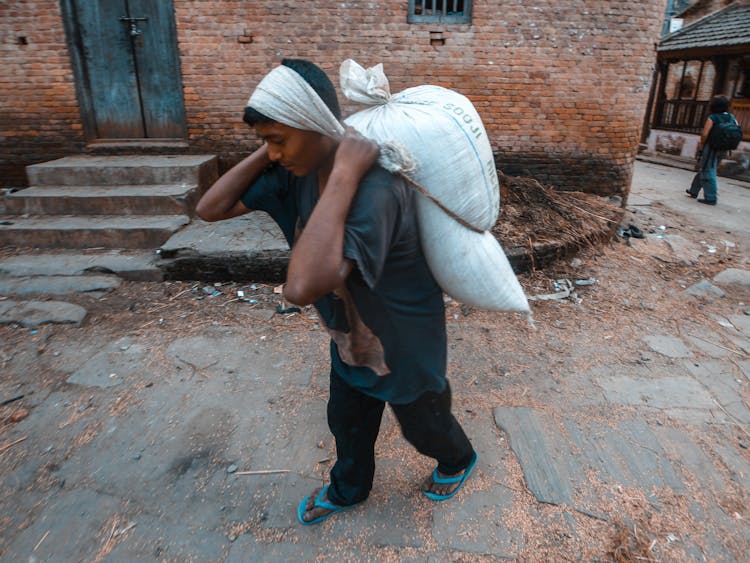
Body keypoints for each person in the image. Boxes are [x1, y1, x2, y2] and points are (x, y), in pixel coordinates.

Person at [195, 59, 477, 525]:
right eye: (266, 142)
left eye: (279, 139)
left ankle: (457, 459)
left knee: (425, 427)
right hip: (350, 339)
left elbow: (302, 287)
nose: (275, 154)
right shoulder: (291, 173)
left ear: (313, 125)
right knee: (346, 424)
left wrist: (345, 171)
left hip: (406, 344)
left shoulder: (376, 189)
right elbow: (210, 207)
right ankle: (349, 490)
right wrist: (269, 148)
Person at [686, 95, 738, 205]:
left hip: (711, 148)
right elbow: (736, 130)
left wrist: (702, 145)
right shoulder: (731, 117)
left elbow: (705, 134)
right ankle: (693, 191)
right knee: (705, 168)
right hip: (724, 148)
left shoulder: (713, 117)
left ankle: (711, 197)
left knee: (708, 170)